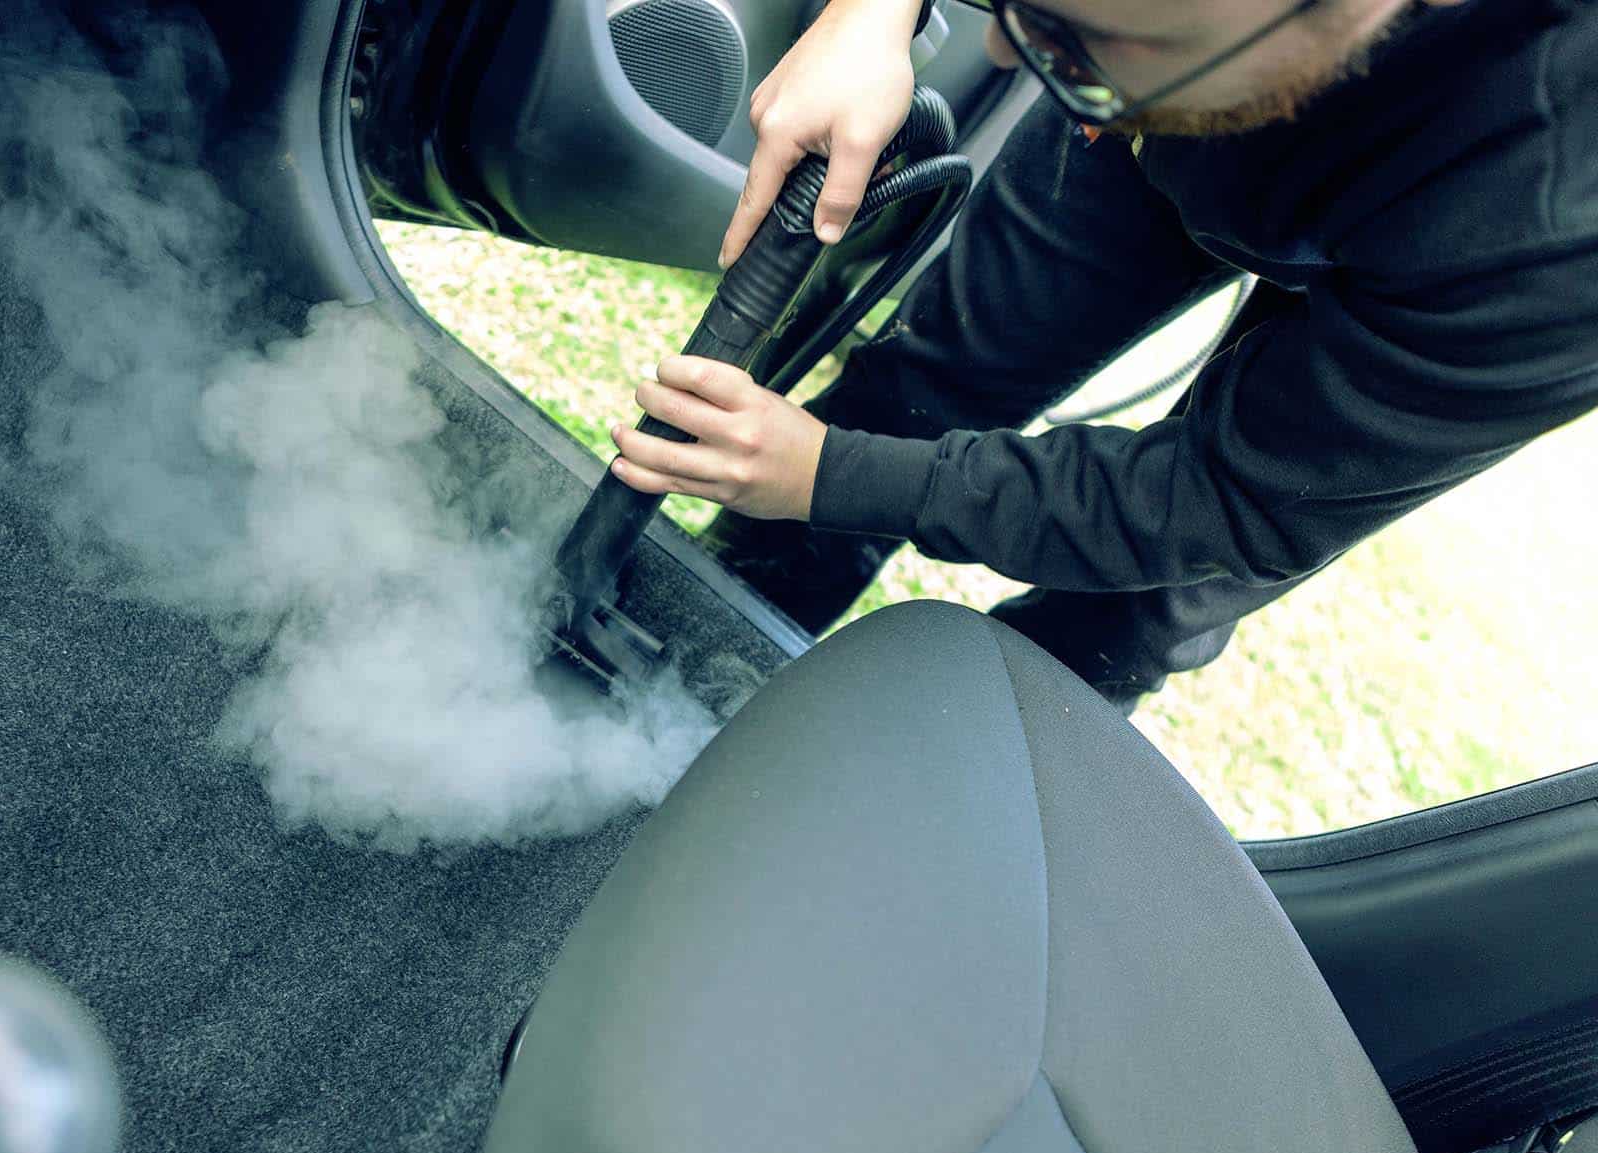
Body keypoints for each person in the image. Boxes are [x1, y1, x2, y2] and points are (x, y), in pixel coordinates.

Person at [607, 0, 1598, 711]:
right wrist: (868, 17)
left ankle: (896, 834)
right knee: (926, 384)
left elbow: (1229, 499)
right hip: (1158, 102)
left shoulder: (1562, 223)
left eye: (1065, 42)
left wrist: (832, 476)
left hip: (1469, 223)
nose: (997, 42)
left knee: (1139, 611)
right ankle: (669, 693)